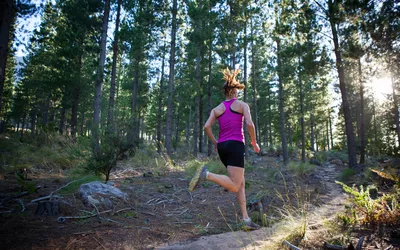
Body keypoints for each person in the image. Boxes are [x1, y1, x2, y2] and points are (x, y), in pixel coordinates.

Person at [189, 68, 261, 230]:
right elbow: (249, 124)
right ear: (235, 92)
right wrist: (254, 142)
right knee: (235, 185)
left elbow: (207, 126)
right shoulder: (242, 105)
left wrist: (215, 142)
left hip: (222, 147)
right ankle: (206, 175)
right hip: (235, 145)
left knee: (240, 183)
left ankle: (245, 220)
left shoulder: (217, 109)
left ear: (225, 93)